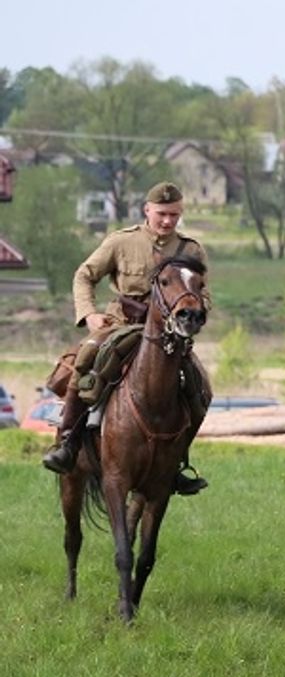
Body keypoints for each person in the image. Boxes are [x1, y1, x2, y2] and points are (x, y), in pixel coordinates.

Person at [42, 181, 211, 495]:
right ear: (147, 210)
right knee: (85, 360)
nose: (168, 221)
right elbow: (84, 275)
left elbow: (203, 293)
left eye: (174, 215)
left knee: (201, 388)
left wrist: (195, 315)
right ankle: (68, 443)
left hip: (170, 333)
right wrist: (89, 314)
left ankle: (176, 463)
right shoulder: (121, 242)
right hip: (120, 323)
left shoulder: (191, 250)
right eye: (162, 213)